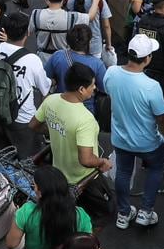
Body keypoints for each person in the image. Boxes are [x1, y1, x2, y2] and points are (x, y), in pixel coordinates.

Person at [106, 34, 164, 229]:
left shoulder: (111, 72)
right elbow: (163, 118)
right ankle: (146, 211)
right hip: (148, 142)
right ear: (147, 58)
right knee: (155, 168)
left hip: (121, 139)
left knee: (123, 173)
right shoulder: (151, 86)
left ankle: (123, 213)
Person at [30, 64, 111, 198]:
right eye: (92, 85)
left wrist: (56, 130)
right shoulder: (86, 119)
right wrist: (102, 162)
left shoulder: (50, 100)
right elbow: (86, 159)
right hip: (81, 181)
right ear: (81, 89)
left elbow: (33, 125)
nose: (95, 88)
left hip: (58, 174)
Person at [0, 11, 51, 161]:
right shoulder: (32, 60)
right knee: (27, 159)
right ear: (27, 33)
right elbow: (45, 89)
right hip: (23, 118)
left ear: (5, 31)